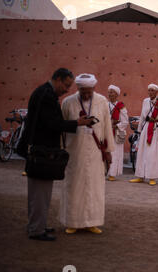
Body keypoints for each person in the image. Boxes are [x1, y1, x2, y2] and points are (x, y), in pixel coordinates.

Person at [22, 68, 94, 241]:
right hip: (41, 152)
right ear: (58, 79)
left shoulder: (45, 93)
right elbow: (52, 123)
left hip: (43, 151)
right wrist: (77, 122)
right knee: (39, 193)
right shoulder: (46, 95)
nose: (67, 90)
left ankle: (38, 224)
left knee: (42, 192)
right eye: (66, 85)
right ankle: (36, 230)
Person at [60, 73, 115, 235]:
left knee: (94, 187)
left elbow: (106, 127)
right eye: (83, 91)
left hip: (96, 152)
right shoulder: (68, 102)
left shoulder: (102, 101)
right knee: (74, 187)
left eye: (89, 91)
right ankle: (73, 222)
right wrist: (60, 150)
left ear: (94, 88)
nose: (86, 94)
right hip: (74, 152)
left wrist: (109, 151)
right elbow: (61, 129)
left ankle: (92, 222)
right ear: (77, 88)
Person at [130, 84, 158, 185]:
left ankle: (152, 177)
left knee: (153, 153)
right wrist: (139, 129)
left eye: (152, 90)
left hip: (156, 128)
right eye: (149, 90)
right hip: (146, 128)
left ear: (156, 92)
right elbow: (142, 116)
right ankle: (140, 176)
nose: (150, 92)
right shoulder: (145, 101)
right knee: (142, 152)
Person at [107, 85, 129, 181]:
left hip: (115, 132)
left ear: (116, 94)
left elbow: (125, 121)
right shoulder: (105, 104)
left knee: (114, 153)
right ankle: (104, 172)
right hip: (106, 131)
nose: (110, 94)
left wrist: (115, 126)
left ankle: (112, 174)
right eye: (109, 92)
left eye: (112, 92)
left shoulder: (121, 106)